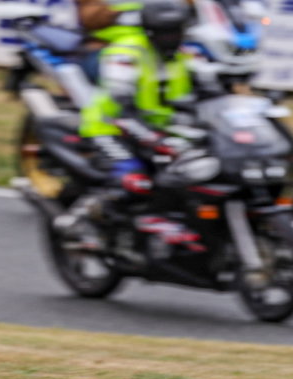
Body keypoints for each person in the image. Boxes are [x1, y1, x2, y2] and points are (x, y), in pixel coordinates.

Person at [55, 0, 197, 247]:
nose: (172, 38)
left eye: (177, 31)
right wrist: (153, 139)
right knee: (134, 180)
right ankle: (79, 218)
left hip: (158, 128)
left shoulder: (185, 56)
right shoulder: (126, 55)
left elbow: (209, 95)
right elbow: (120, 109)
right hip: (110, 128)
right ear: (151, 31)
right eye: (167, 33)